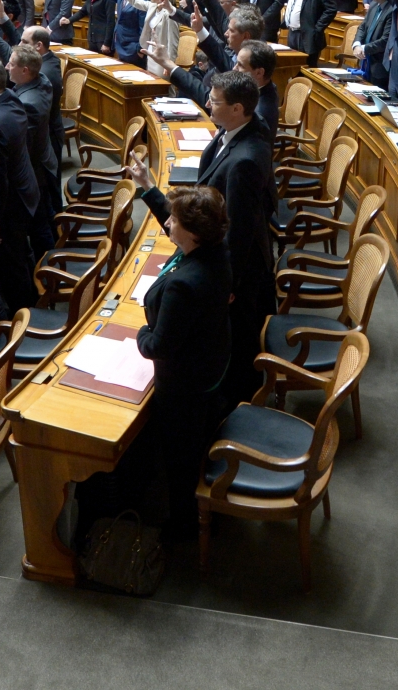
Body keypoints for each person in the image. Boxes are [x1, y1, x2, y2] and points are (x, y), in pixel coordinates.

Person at [132, 70, 273, 403]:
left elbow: (237, 232)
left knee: (230, 350)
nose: (207, 102)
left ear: (238, 108)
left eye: (215, 100)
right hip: (220, 265)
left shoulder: (245, 162)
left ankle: (234, 407)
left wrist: (225, 285)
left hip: (239, 277)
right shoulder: (237, 131)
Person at [127, 184, 233, 539]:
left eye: (173, 220)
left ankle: (182, 524)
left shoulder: (184, 286)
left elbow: (158, 346)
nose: (167, 223)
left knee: (180, 456)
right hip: (209, 364)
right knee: (190, 444)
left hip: (183, 387)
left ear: (191, 232)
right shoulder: (216, 251)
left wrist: (141, 331)